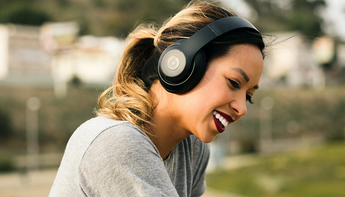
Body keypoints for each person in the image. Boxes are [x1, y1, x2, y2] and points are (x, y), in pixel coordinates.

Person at [49, 0, 265, 196]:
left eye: (248, 96)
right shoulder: (115, 142)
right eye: (234, 83)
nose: (242, 109)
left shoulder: (193, 149)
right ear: (181, 65)